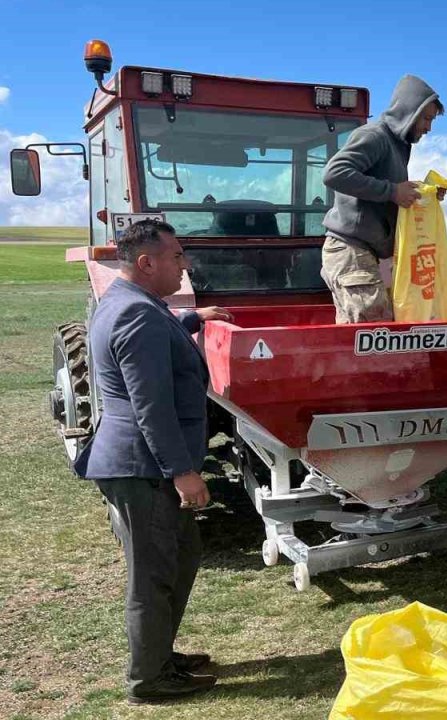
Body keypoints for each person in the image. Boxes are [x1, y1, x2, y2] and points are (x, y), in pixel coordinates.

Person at [73, 220, 232, 704]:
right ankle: (148, 679)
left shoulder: (128, 304)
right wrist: (182, 472)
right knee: (153, 573)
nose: (184, 266)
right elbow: (151, 406)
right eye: (177, 257)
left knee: (183, 556)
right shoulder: (137, 315)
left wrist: (193, 317)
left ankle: (160, 654)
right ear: (147, 262)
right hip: (144, 467)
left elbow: (156, 338)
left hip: (142, 463)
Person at [320, 74, 447, 323]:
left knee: (359, 337)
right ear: (410, 110)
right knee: (375, 331)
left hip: (366, 253)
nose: (428, 128)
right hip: (351, 249)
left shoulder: (398, 145)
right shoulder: (375, 136)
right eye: (426, 118)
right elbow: (334, 173)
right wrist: (392, 191)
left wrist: (424, 194)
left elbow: (390, 189)